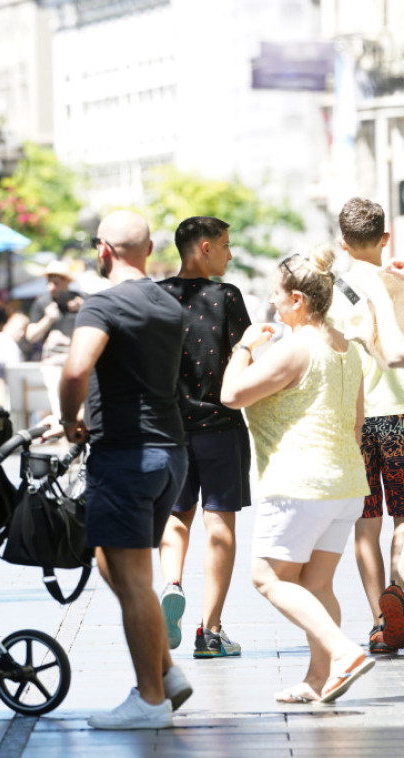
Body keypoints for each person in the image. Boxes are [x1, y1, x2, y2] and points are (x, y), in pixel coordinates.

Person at [53, 210, 191, 730]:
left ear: (104, 251)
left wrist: (70, 417)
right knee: (116, 563)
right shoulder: (168, 304)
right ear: (150, 249)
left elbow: (76, 368)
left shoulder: (104, 303)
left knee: (133, 580)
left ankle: (150, 700)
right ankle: (169, 671)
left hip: (126, 457)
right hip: (168, 453)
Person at [221, 246, 374, 704]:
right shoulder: (344, 347)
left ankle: (345, 653)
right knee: (317, 584)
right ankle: (317, 679)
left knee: (268, 578)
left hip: (299, 484)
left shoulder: (294, 350)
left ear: (298, 302)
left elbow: (231, 393)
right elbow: (356, 420)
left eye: (276, 296)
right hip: (345, 482)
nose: (272, 304)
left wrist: (246, 345)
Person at [156, 216, 251, 658]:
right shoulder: (226, 298)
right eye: (227, 245)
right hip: (220, 427)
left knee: (176, 518)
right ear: (206, 248)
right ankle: (210, 632)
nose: (231, 254)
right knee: (220, 524)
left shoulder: (155, 296)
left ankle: (171, 583)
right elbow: (241, 362)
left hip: (170, 431)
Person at [328, 199, 404, 654]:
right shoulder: (396, 282)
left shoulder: (328, 290)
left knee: (366, 523)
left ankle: (380, 622)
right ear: (385, 237)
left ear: (342, 241)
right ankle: (400, 594)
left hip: (351, 421)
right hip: (399, 412)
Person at [25, 259, 83, 362]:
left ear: (67, 281)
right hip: (51, 361)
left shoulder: (80, 299)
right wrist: (48, 319)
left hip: (76, 358)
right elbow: (31, 336)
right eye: (49, 282)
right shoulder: (42, 302)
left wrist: (83, 308)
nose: (51, 288)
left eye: (56, 283)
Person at [0, 312, 29, 379]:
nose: (22, 334)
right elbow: (13, 369)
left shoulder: (5, 340)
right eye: (20, 329)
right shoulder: (3, 340)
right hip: (1, 386)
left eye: (24, 331)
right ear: (8, 326)